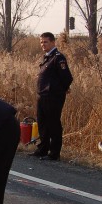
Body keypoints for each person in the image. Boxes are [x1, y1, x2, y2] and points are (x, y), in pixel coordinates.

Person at [29, 32, 73, 161]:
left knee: (53, 123)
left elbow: (67, 78)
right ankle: (42, 149)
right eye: (41, 42)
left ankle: (54, 153)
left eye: (46, 42)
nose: (43, 44)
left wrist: (61, 90)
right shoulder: (46, 57)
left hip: (53, 97)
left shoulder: (58, 58)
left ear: (53, 42)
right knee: (42, 123)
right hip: (42, 96)